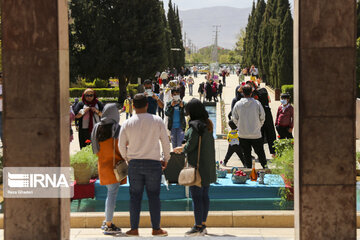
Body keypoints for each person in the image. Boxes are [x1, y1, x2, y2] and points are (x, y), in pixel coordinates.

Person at [119, 94, 170, 237]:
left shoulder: (127, 123)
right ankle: (156, 228)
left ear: (133, 106)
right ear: (147, 105)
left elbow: (121, 145)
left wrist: (127, 158)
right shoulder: (157, 120)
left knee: (135, 197)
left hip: (134, 164)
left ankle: (134, 229)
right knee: (154, 197)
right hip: (153, 163)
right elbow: (165, 143)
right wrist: (166, 159)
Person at [174, 99, 216, 236]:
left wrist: (181, 148)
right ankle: (203, 224)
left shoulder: (194, 127)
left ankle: (197, 226)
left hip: (196, 167)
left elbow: (190, 146)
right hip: (207, 167)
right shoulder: (208, 125)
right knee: (205, 196)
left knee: (196, 197)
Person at [91, 103, 127, 235]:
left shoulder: (96, 128)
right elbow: (123, 148)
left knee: (109, 194)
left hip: (103, 166)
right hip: (115, 167)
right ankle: (109, 224)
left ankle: (107, 220)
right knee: (112, 195)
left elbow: (95, 150)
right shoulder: (118, 129)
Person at [232, 84, 267, 169]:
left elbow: (234, 118)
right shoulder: (257, 103)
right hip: (255, 133)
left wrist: (240, 126)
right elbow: (262, 117)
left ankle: (248, 171)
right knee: (260, 153)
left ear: (243, 93)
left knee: (247, 154)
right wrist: (258, 126)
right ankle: (265, 169)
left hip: (243, 134)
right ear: (251, 93)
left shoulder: (238, 104)